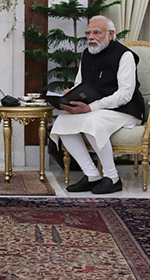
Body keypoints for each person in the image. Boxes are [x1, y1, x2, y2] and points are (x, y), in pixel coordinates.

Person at [50, 15, 144, 194]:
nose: (90, 37)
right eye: (88, 33)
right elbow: (80, 84)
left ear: (110, 34)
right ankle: (91, 174)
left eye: (96, 33)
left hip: (125, 110)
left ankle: (112, 177)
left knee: (93, 121)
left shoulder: (125, 55)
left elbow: (125, 94)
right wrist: (69, 96)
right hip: (95, 109)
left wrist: (91, 108)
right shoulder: (87, 54)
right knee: (62, 123)